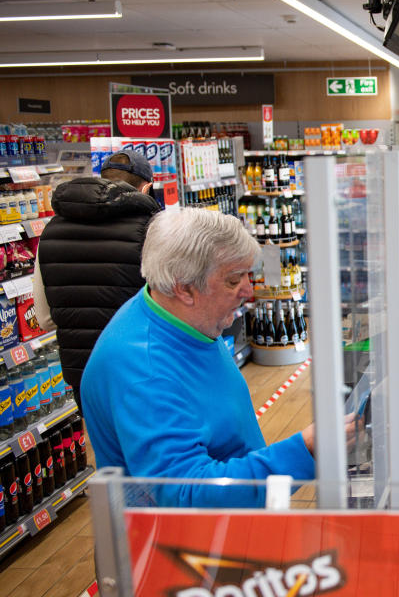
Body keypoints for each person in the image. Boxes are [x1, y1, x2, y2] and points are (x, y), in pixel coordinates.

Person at [81, 208, 316, 507]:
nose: (248, 290)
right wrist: (305, 450)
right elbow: (186, 495)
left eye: (248, 274)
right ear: (184, 288)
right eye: (233, 280)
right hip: (178, 546)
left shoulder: (182, 316)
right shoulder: (144, 370)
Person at [33, 150, 160, 415]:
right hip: (140, 366)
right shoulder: (151, 228)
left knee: (107, 449)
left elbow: (44, 318)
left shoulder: (51, 230)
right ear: (146, 187)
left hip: (83, 372)